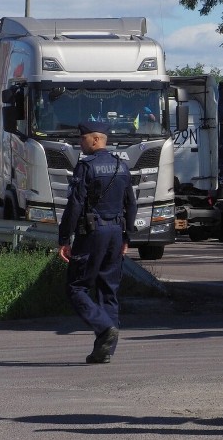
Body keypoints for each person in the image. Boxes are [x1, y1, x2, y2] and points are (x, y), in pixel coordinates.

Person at [57, 121, 137, 364]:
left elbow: (75, 205)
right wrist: (126, 237)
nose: (79, 144)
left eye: (82, 139)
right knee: (108, 290)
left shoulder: (86, 167)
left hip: (93, 233)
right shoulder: (121, 166)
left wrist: (64, 238)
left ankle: (104, 329)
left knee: (77, 287)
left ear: (95, 140)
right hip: (115, 232)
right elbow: (131, 204)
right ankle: (105, 351)